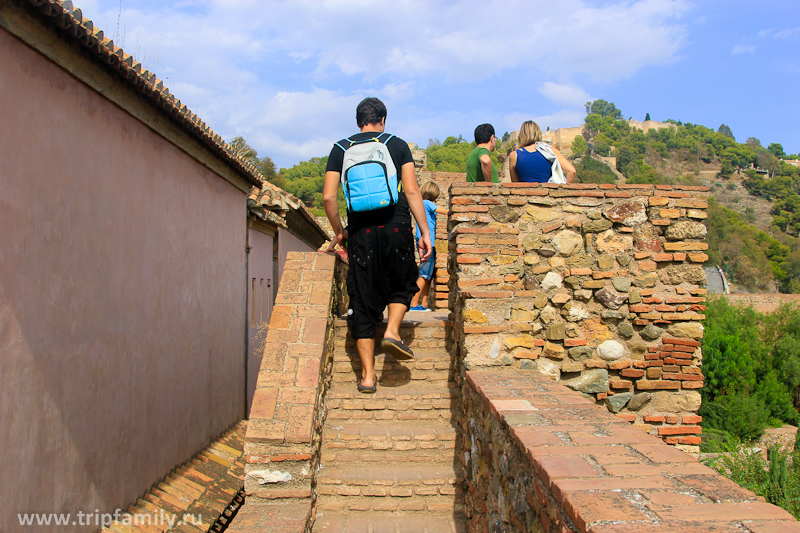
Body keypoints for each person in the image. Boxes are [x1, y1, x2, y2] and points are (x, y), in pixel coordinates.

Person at [322, 97, 432, 394]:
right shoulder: (396, 144)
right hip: (395, 224)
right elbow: (411, 190)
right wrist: (424, 232)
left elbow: (329, 198)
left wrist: (340, 232)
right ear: (382, 119)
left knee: (362, 300)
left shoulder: (340, 149)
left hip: (361, 232)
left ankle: (369, 377)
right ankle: (393, 331)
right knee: (403, 279)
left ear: (358, 121)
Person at [410, 182, 448, 312]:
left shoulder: (421, 204)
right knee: (424, 274)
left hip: (423, 242)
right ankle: (414, 303)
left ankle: (424, 303)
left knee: (428, 275)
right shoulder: (427, 203)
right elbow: (444, 211)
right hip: (427, 243)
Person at [509, 120, 576, 183]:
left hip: (525, 194)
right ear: (538, 134)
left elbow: (516, 185)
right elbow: (572, 171)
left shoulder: (514, 155)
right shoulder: (550, 151)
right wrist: (563, 191)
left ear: (521, 135)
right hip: (548, 194)